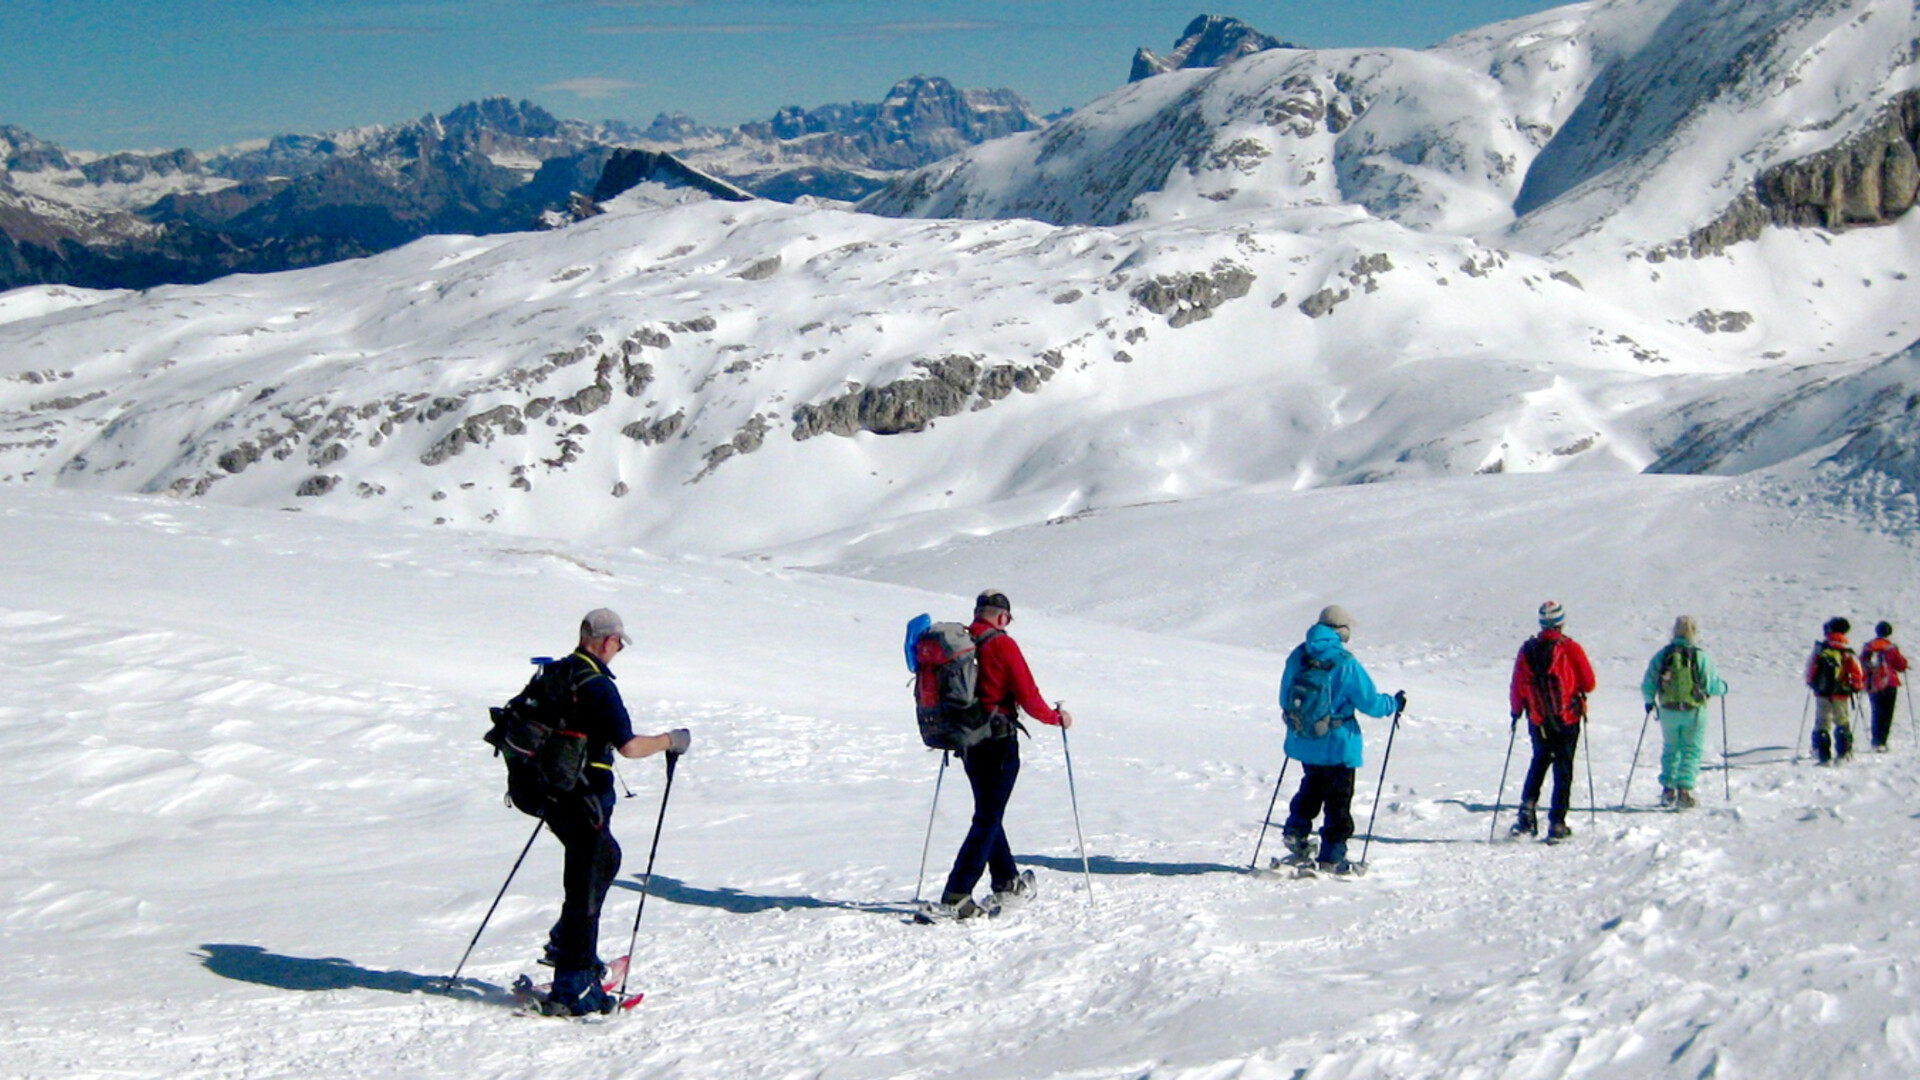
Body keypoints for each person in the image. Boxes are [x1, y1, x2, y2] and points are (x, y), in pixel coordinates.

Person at [538, 608, 690, 1014]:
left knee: (604, 859)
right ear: (607, 641)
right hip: (583, 795)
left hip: (550, 793)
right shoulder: (597, 685)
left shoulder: (556, 674)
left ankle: (567, 946)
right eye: (619, 642)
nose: (620, 649)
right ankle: (574, 987)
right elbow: (628, 746)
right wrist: (669, 740)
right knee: (585, 884)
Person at [936, 590, 1073, 918]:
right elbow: (1028, 694)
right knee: (987, 817)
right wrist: (1057, 718)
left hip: (967, 741)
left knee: (988, 811)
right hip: (997, 740)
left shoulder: (962, 644)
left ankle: (1007, 882)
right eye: (1008, 619)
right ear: (1000, 616)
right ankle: (957, 893)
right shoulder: (1001, 644)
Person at [1276, 605, 1403, 874]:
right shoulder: (1345, 663)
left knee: (1311, 786)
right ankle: (1332, 856)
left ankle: (1296, 832)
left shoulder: (1299, 655)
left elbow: (1284, 697)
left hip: (1305, 740)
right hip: (1338, 743)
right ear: (1341, 631)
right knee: (1338, 801)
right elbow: (1371, 703)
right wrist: (1394, 703)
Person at [1508, 601, 1596, 840]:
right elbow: (1589, 683)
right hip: (1567, 717)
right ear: (1561, 622)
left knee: (1539, 761)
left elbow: (1517, 684)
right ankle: (1557, 822)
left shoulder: (1527, 650)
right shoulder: (1570, 648)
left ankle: (1527, 812)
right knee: (1563, 767)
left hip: (1538, 719)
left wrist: (1516, 711)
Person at [1639, 616, 1729, 809]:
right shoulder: (1700, 656)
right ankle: (1684, 791)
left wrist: (1649, 701)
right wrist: (1723, 688)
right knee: (1691, 750)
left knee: (1671, 748)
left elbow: (1648, 683)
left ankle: (1668, 790)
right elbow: (1712, 686)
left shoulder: (1663, 655)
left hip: (1668, 710)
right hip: (1694, 710)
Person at [1805, 617, 1866, 763]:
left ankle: (1822, 754)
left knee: (1822, 721)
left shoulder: (1821, 649)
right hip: (1841, 692)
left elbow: (1810, 668)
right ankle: (1843, 753)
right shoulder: (1846, 650)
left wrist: (1812, 683)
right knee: (1841, 720)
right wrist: (1856, 687)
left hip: (1822, 692)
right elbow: (1857, 672)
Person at [1860, 621, 1909, 752]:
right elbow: (1900, 665)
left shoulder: (1868, 646)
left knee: (1876, 711)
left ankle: (1875, 740)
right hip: (1889, 683)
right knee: (1887, 713)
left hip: (1873, 683)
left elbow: (1862, 663)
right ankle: (1882, 741)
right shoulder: (1891, 647)